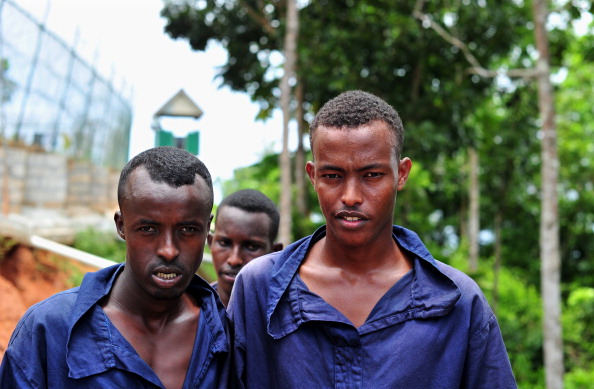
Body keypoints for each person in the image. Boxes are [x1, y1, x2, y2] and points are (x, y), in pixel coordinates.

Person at [228, 90, 517, 388]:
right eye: (332, 176)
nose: (351, 197)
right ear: (312, 176)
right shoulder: (259, 289)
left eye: (372, 175)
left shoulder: (458, 301)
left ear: (401, 174)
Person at [0, 146, 229, 388]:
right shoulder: (49, 329)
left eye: (188, 230)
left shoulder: (229, 332)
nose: (168, 250)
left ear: (207, 229)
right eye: (148, 229)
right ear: (121, 225)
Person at [208, 188, 282, 307]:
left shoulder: (290, 318)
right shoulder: (187, 313)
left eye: (252, 247)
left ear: (275, 253)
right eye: (224, 243)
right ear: (210, 242)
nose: (234, 260)